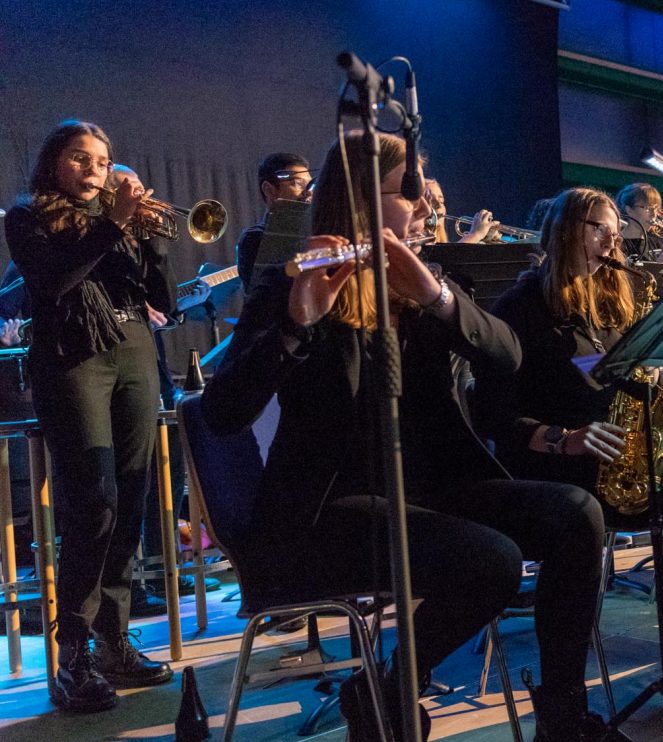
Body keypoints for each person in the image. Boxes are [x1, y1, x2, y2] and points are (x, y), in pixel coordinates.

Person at [202, 133, 607, 739]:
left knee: (578, 513)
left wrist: (437, 297)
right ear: (361, 201)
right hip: (328, 509)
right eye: (410, 192)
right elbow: (222, 413)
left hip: (430, 489)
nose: (426, 208)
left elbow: (508, 356)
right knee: (491, 561)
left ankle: (563, 712)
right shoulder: (287, 287)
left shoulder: (429, 283)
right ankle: (387, 688)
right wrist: (296, 325)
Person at [480, 186, 663, 704]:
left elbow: (628, 383)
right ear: (567, 231)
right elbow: (496, 418)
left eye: (616, 230)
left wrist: (654, 362)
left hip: (619, 445)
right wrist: (563, 439)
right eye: (599, 228)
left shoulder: (607, 301)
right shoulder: (521, 308)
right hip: (559, 463)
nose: (612, 240)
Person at [4, 120, 176, 711]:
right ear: (55, 162)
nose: (95, 170)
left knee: (131, 502)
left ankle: (112, 638)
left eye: (103, 162)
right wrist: (114, 225)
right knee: (92, 504)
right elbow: (53, 283)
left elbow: (167, 303)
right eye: (81, 158)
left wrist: (149, 242)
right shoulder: (27, 216)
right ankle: (71, 653)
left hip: (133, 353)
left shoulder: (117, 225)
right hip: (72, 358)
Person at [234, 153, 313, 292]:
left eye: (310, 186)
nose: (308, 193)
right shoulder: (254, 238)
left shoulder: (312, 231)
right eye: (298, 184)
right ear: (269, 190)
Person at [615, 182, 663, 271]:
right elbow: (629, 282)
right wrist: (660, 264)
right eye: (647, 208)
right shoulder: (617, 244)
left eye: (656, 208)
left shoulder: (657, 241)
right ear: (629, 210)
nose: (653, 214)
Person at [420, 178, 501, 244]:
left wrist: (483, 240)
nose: (439, 205)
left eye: (442, 201)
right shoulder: (414, 245)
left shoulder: (444, 245)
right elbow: (449, 257)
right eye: (432, 200)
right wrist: (475, 235)